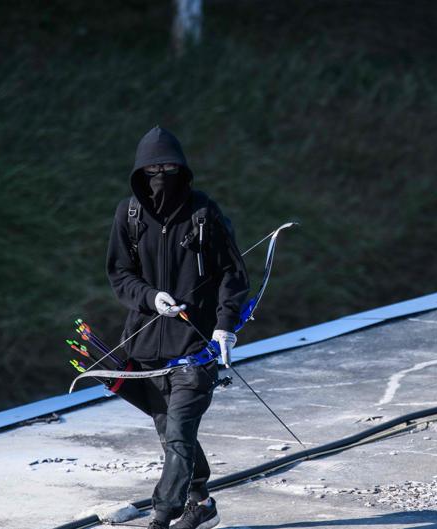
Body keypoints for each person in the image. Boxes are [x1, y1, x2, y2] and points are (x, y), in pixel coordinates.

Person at [106, 125, 249, 528]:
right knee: (171, 434)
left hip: (197, 349)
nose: (161, 175)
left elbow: (233, 275)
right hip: (145, 350)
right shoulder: (128, 214)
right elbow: (120, 274)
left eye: (170, 167)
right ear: (139, 172)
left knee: (180, 432)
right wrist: (151, 298)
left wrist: (225, 327)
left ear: (183, 169)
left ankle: (162, 515)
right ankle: (201, 503)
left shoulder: (204, 213)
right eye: (153, 169)